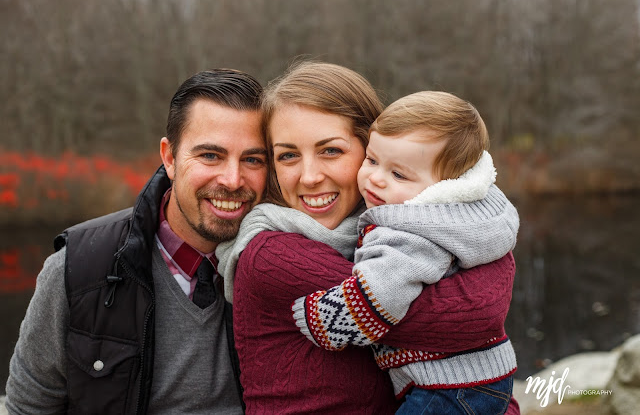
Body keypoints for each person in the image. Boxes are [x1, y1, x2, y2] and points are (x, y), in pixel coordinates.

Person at [216, 61, 521, 414]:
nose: (310, 176)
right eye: (288, 156)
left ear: (371, 146)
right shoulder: (271, 253)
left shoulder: (396, 231)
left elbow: (468, 371)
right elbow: (474, 317)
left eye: (331, 150)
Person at [5, 69, 268, 414]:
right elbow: (29, 407)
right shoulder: (77, 271)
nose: (233, 180)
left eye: (252, 159)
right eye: (210, 155)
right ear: (170, 158)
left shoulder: (284, 269)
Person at [292, 91, 519, 414]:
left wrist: (319, 319)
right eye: (372, 160)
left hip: (448, 387)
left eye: (398, 174)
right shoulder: (466, 216)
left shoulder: (411, 232)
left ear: (444, 187)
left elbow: (378, 296)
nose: (376, 178)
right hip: (481, 376)